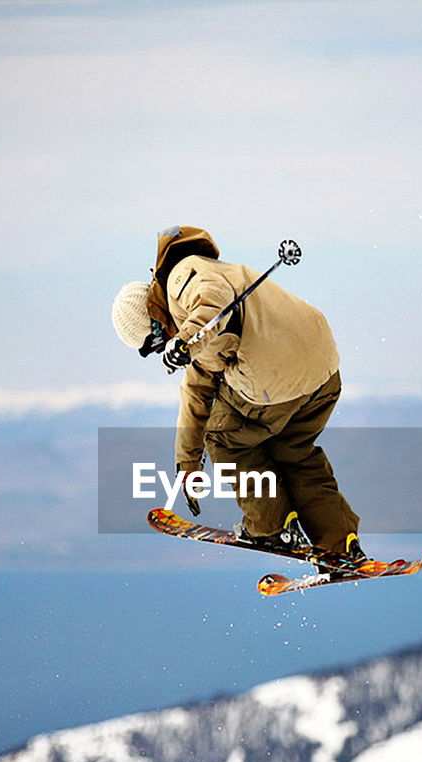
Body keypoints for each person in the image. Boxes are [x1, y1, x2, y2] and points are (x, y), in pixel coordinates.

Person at [111, 225, 363, 560]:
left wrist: (186, 338)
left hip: (275, 374)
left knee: (224, 436)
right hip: (322, 368)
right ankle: (339, 544)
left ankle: (271, 527)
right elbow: (196, 391)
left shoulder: (182, 276)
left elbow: (212, 301)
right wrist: (188, 463)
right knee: (294, 451)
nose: (163, 346)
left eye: (155, 342)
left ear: (153, 320)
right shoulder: (205, 290)